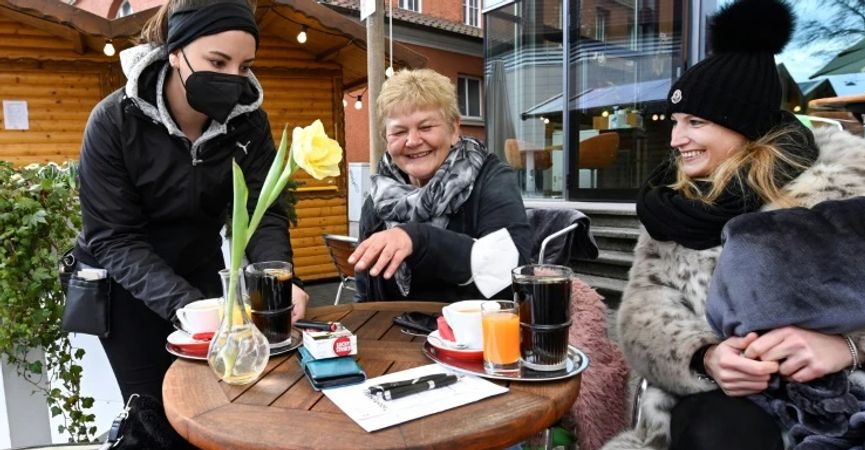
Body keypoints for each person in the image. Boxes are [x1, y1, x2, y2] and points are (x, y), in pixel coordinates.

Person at [602, 0, 865, 449]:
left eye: (695, 122)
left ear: (744, 127)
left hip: (855, 405)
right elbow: (644, 313)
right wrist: (705, 357)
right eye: (677, 121)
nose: (675, 139)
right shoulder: (674, 207)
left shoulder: (856, 196)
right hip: (717, 411)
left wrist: (848, 348)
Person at [73, 0, 309, 403]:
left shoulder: (249, 121)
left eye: (245, 66)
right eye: (218, 62)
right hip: (126, 287)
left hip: (200, 271)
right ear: (176, 51)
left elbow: (261, 210)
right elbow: (114, 238)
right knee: (154, 407)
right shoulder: (114, 121)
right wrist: (189, 307)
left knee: (221, 397)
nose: (233, 79)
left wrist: (277, 280)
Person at [350, 69, 530, 302]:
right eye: (399, 131)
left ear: (454, 129)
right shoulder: (380, 197)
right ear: (386, 138)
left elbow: (516, 271)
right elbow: (365, 295)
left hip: (474, 334)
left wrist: (419, 238)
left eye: (426, 127)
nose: (413, 141)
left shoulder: (491, 180)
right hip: (394, 332)